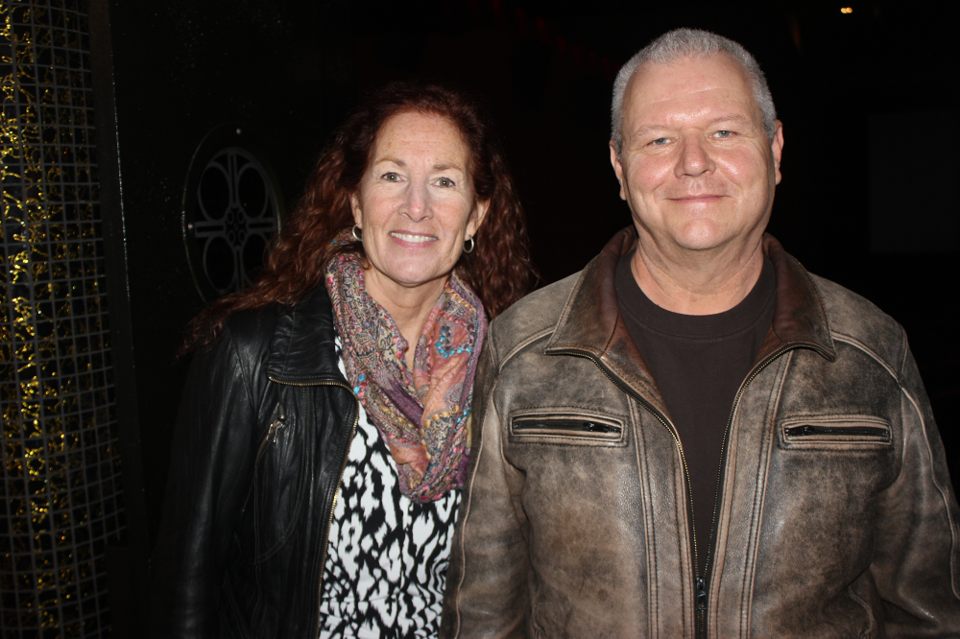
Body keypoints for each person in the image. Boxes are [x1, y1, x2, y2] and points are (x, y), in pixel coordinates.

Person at [441, 28, 960, 638]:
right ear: (619, 165)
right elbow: (483, 617)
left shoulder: (871, 351)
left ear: (775, 148)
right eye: (659, 138)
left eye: (723, 132)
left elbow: (928, 613)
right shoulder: (523, 350)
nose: (693, 162)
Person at [150, 83, 535, 639]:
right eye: (391, 175)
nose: (416, 207)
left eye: (444, 182)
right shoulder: (255, 354)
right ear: (356, 201)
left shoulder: (507, 371)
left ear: (476, 215)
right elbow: (183, 585)